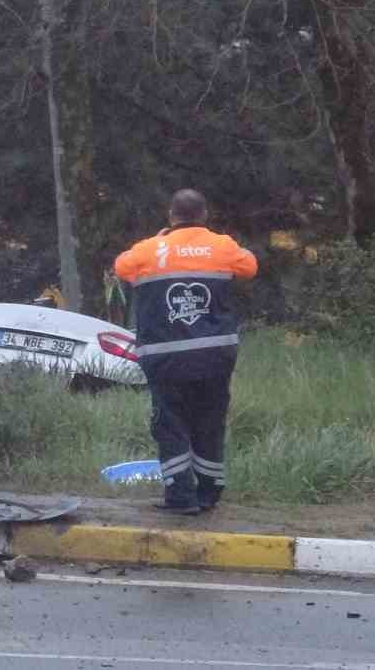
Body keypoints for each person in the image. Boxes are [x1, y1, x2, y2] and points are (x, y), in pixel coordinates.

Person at [114, 188, 257, 515]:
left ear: (170, 216)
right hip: (215, 355)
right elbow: (250, 267)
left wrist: (162, 240)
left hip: (165, 358)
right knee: (210, 420)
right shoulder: (222, 245)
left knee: (171, 423)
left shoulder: (148, 250)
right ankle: (209, 494)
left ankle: (181, 497)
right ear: (204, 215)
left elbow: (122, 267)